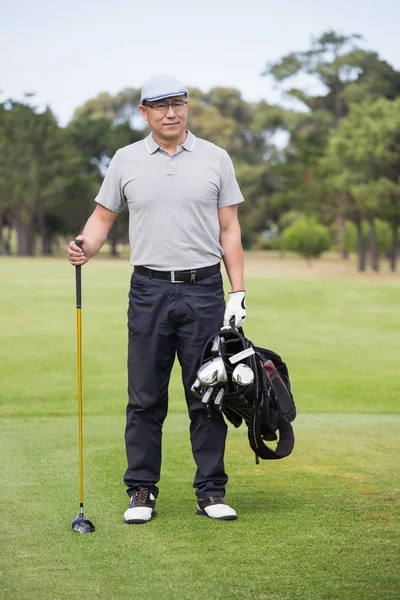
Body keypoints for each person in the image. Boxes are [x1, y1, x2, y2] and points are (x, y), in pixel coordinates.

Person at [67, 74, 247, 524]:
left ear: (187, 107)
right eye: (160, 105)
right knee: (145, 396)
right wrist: (84, 247)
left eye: (178, 103)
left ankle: (211, 491)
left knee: (209, 391)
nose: (172, 112)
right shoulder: (126, 160)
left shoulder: (215, 158)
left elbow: (230, 229)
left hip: (204, 288)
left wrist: (237, 290)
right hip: (148, 289)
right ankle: (142, 491)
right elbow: (102, 218)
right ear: (144, 112)